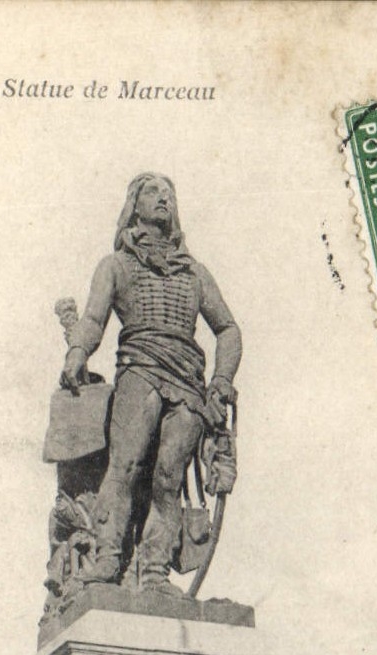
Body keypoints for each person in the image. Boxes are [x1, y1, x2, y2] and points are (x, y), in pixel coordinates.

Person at [59, 173, 241, 591]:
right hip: (139, 370)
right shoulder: (116, 265)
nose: (164, 199)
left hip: (188, 384)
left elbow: (228, 329)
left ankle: (156, 571)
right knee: (123, 467)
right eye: (153, 192)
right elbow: (92, 320)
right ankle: (107, 558)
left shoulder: (194, 273)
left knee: (167, 479)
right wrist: (77, 352)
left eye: (170, 193)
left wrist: (222, 380)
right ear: (133, 205)